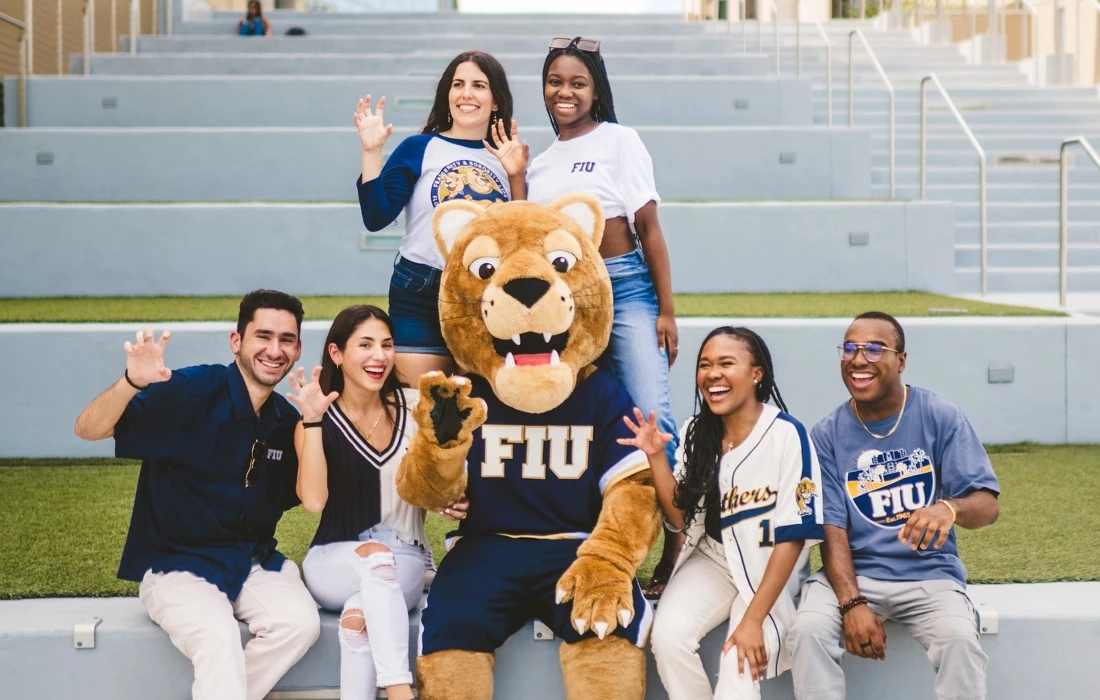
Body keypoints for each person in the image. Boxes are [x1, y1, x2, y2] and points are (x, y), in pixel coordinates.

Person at [487, 36, 681, 593]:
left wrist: (666, 311)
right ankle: (587, 541)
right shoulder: (542, 162)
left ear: (595, 91)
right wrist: (517, 173)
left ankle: (674, 546)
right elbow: (527, 228)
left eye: (577, 82)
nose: (565, 92)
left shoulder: (620, 141)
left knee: (651, 415)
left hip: (626, 286)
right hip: (569, 300)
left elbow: (649, 229)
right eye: (555, 82)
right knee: (583, 420)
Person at [72, 289, 320, 700]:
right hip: (175, 563)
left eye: (287, 340)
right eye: (263, 336)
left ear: (297, 351)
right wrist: (132, 382)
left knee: (299, 624)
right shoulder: (189, 390)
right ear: (236, 341)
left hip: (250, 561)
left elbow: (309, 494)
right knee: (217, 634)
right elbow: (88, 429)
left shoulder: (287, 419)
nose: (274, 350)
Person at [789, 311, 1001, 700]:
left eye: (874, 349)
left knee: (958, 638)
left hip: (930, 574)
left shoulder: (939, 415)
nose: (858, 359)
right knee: (807, 631)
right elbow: (831, 528)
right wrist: (852, 602)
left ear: (901, 360)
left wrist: (948, 509)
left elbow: (987, 504)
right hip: (856, 573)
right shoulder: (827, 434)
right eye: (849, 348)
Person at [620, 327, 824, 699]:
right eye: (704, 365)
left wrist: (752, 620)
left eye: (726, 363)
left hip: (769, 569)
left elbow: (793, 537)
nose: (712, 373)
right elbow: (680, 516)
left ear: (756, 373)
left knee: (738, 662)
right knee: (667, 640)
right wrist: (654, 456)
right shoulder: (699, 431)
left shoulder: (787, 435)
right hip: (714, 558)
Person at [287, 305, 451, 700]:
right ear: (336, 354)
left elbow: (443, 479)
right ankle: (399, 690)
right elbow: (313, 500)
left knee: (358, 621)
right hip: (333, 561)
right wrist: (311, 423)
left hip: (406, 560)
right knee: (374, 559)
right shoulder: (316, 418)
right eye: (365, 345)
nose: (379, 356)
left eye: (387, 344)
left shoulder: (415, 407)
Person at [355, 50, 516, 383]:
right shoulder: (420, 147)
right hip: (420, 290)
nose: (466, 93)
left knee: (478, 411)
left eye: (479, 85)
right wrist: (371, 152)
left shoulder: (509, 155)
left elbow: (521, 230)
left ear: (496, 100)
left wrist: (518, 176)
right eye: (458, 84)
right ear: (447, 94)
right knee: (421, 407)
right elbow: (376, 216)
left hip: (485, 295)